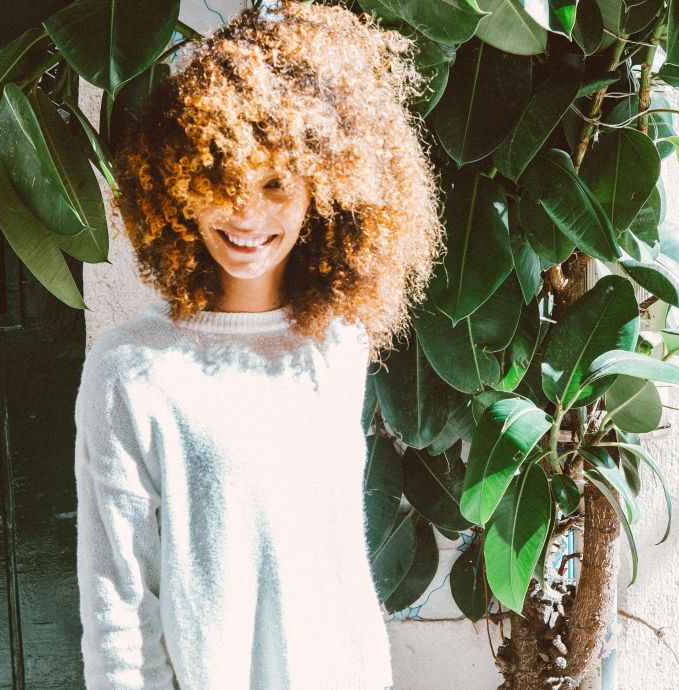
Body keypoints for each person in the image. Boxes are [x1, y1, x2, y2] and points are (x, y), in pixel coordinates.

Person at [73, 1, 443, 687]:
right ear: (179, 184)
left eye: (276, 183)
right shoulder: (133, 371)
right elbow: (118, 604)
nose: (248, 214)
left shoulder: (336, 346)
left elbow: (336, 564)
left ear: (325, 192)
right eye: (222, 179)